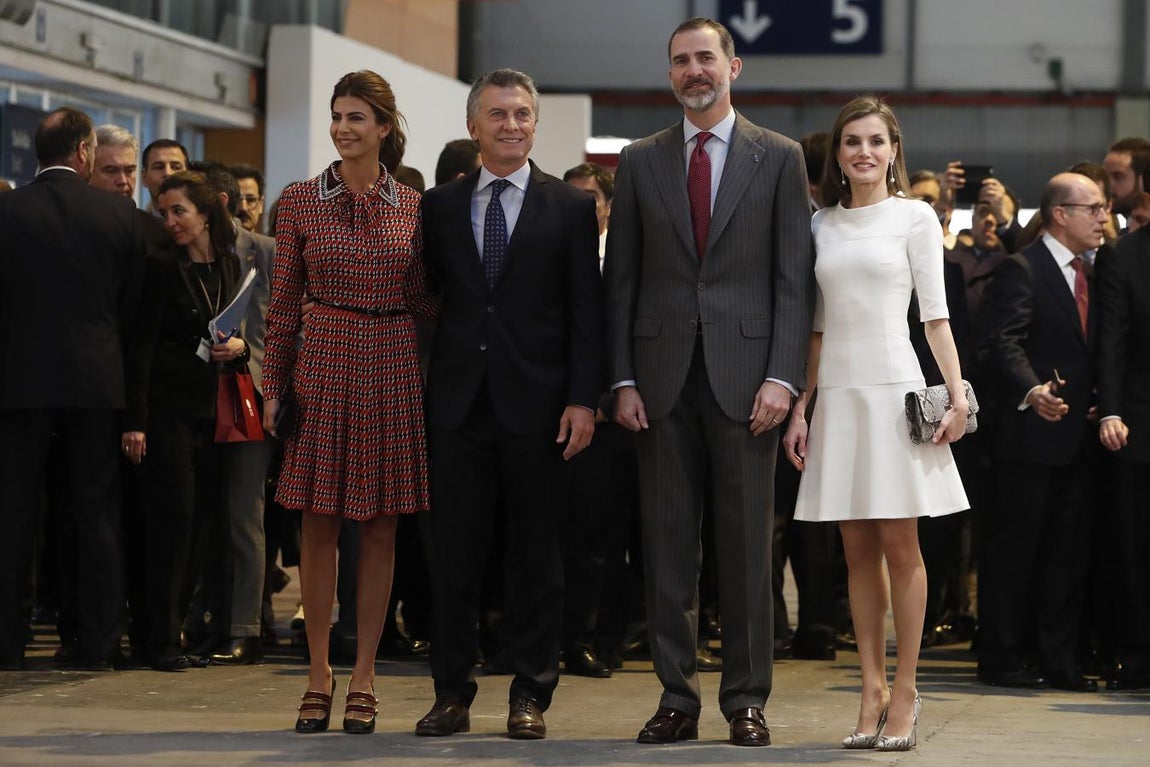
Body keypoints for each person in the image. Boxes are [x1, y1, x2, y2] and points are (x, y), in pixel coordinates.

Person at [604, 18, 814, 747]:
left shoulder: (780, 158)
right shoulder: (638, 160)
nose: (694, 71)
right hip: (658, 383)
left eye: (705, 58)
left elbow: (794, 280)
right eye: (680, 61)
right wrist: (622, 377)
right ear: (670, 75)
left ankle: (747, 699)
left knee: (748, 552)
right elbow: (620, 282)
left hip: (749, 381)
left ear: (734, 66)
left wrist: (785, 377)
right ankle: (676, 698)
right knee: (667, 549)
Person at [415, 68, 602, 741]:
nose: (512, 125)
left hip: (542, 405)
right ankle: (450, 692)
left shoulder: (570, 207)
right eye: (498, 114)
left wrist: (585, 398)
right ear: (474, 125)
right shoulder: (438, 206)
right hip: (459, 406)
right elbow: (434, 301)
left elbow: (588, 312)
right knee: (455, 557)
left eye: (523, 114)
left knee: (536, 558)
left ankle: (530, 693)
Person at [784, 95, 969, 752]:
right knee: (855, 553)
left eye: (876, 141)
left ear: (893, 151)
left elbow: (935, 317)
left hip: (893, 388)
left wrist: (957, 395)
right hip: (837, 391)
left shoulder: (915, 217)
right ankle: (870, 685)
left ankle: (909, 688)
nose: (864, 151)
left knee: (900, 547)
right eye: (852, 141)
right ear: (836, 154)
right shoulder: (818, 226)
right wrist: (801, 407)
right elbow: (813, 328)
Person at [261, 70, 436, 734]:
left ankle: (364, 672)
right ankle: (317, 672)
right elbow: (280, 311)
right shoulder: (300, 200)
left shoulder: (415, 206)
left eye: (357, 117)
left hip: (391, 359)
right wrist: (273, 387)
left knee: (384, 524)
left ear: (385, 128)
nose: (342, 127)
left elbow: (426, 300)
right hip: (324, 357)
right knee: (318, 522)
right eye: (337, 116)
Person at [0, 106, 145, 671]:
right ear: (84, 152)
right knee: (97, 513)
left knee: (13, 515)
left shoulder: (6, 212)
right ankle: (100, 641)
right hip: (95, 380)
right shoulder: (119, 218)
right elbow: (131, 315)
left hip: (19, 381)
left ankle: (7, 644)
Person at [977, 172, 1106, 693]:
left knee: (1067, 555)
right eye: (1094, 208)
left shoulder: (1095, 273)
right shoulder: (1022, 268)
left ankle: (1059, 659)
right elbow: (1000, 342)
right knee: (1016, 552)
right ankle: (1003, 657)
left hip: (1080, 438)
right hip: (1029, 440)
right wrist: (1032, 391)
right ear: (1061, 215)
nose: (1104, 218)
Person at [122, 170, 247, 672]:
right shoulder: (160, 267)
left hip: (212, 411)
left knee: (200, 526)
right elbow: (141, 349)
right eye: (164, 212)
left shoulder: (231, 265)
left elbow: (232, 328)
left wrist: (236, 347)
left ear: (205, 213)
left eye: (179, 211)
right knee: (170, 526)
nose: (171, 221)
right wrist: (136, 421)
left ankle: (175, 627)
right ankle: (155, 638)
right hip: (166, 411)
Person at [230, 164, 266, 234]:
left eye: (251, 200)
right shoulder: (208, 244)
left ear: (261, 204)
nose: (243, 207)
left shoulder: (272, 244)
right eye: (237, 199)